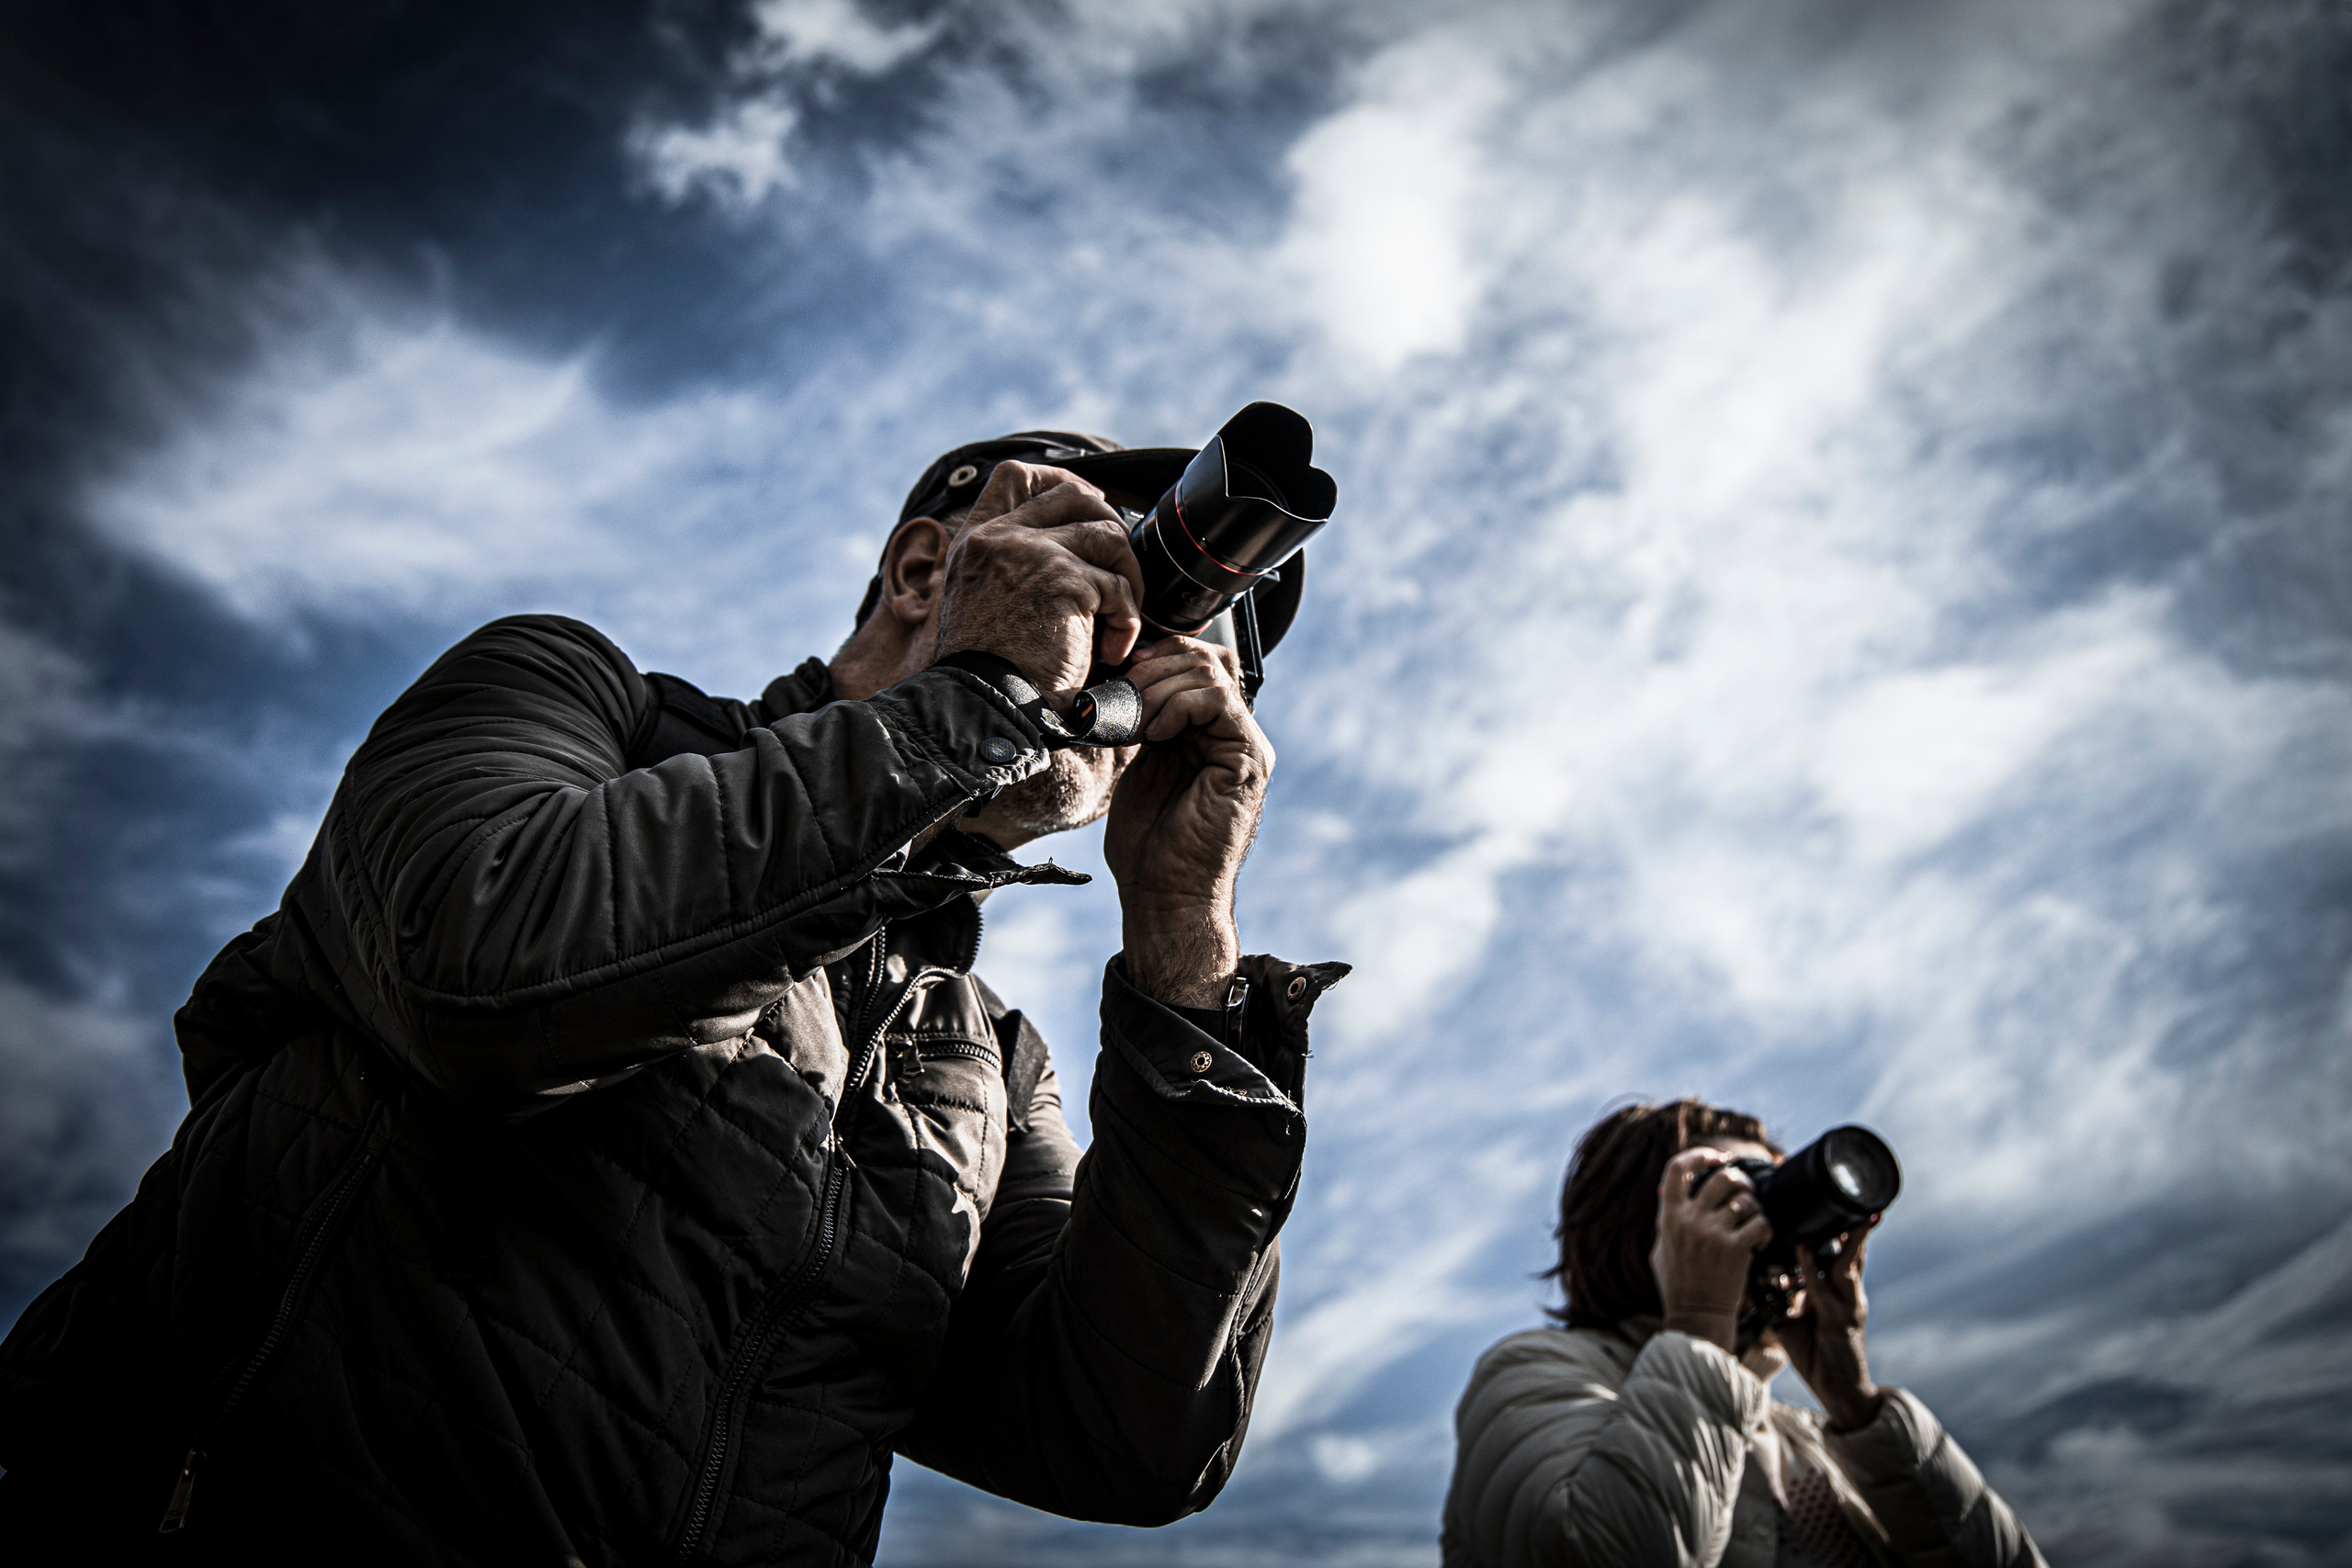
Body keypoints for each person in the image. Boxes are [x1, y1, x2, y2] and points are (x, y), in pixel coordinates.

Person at [0, 427, 1345, 1564]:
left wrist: (1186, 939)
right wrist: (977, 699)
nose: (1136, 661)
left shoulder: (987, 1060)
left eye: (1182, 650)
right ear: (933, 564)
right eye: (1099, 578)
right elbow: (484, 968)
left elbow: (1123, 1433)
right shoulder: (582, 703)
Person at [1442, 1100, 2046, 1568]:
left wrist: (1855, 1405)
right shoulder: (1532, 1371)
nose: (1765, 1228)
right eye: (1734, 1195)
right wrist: (1702, 1320)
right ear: (1646, 1225)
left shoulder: (1807, 1438)